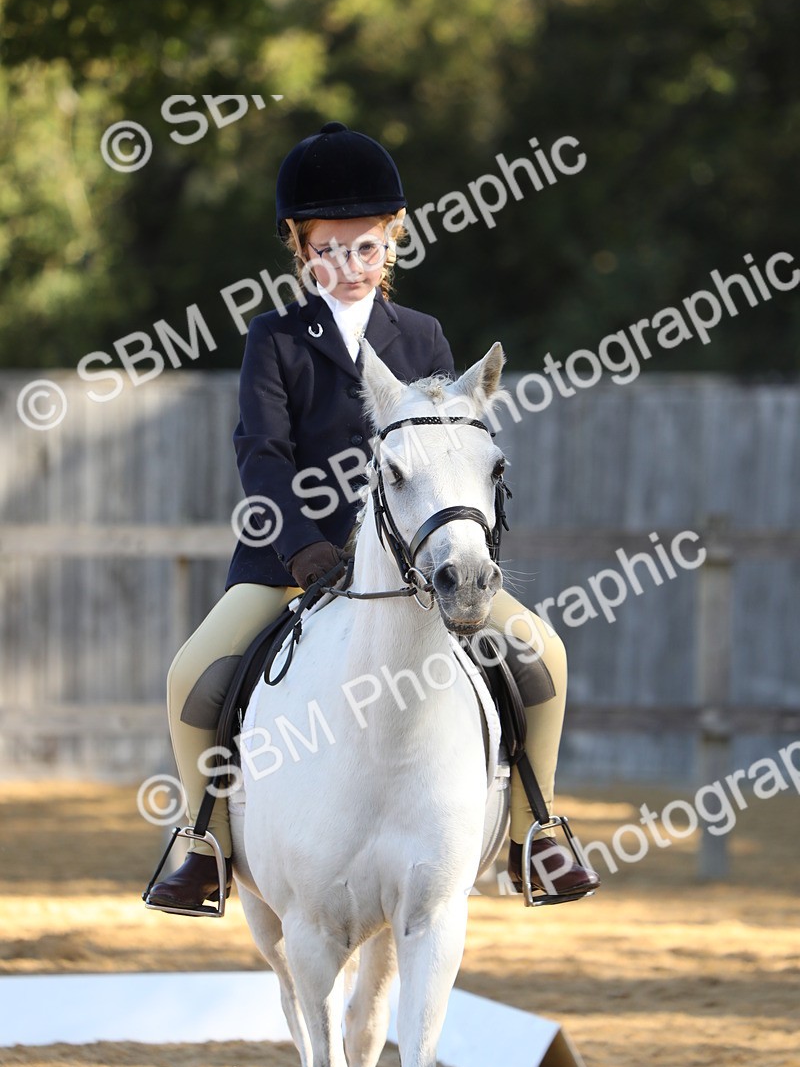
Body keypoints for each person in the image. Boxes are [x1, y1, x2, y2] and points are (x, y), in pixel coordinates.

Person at [148, 122, 599, 911]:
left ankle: (536, 828)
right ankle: (205, 838)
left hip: (417, 567)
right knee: (191, 674)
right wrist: (304, 552)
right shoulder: (276, 340)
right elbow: (263, 457)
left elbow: (456, 450)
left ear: (393, 239)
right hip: (294, 564)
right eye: (330, 248)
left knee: (546, 656)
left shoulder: (421, 336)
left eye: (367, 246)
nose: (349, 265)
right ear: (299, 245)